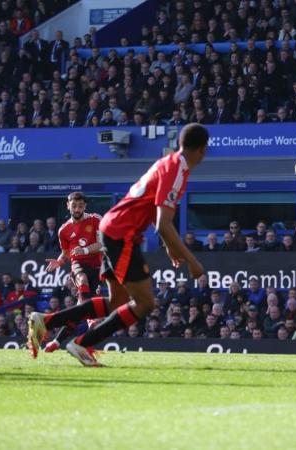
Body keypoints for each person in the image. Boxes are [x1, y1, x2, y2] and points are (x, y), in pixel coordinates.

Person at [27, 124, 209, 366]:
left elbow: (158, 217)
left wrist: (170, 248)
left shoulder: (169, 162)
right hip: (121, 234)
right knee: (145, 303)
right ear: (202, 150)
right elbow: (163, 224)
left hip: (112, 230)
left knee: (117, 302)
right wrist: (193, 260)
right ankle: (82, 343)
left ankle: (45, 321)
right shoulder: (177, 169)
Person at [40, 192, 105, 355]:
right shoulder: (64, 230)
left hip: (97, 266)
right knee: (81, 280)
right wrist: (60, 261)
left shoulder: (96, 219)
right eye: (74, 206)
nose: (77, 209)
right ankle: (90, 318)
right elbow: (67, 253)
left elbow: (103, 244)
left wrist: (84, 249)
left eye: (81, 206)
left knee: (78, 311)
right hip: (78, 265)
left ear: (85, 206)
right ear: (68, 206)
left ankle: (56, 341)